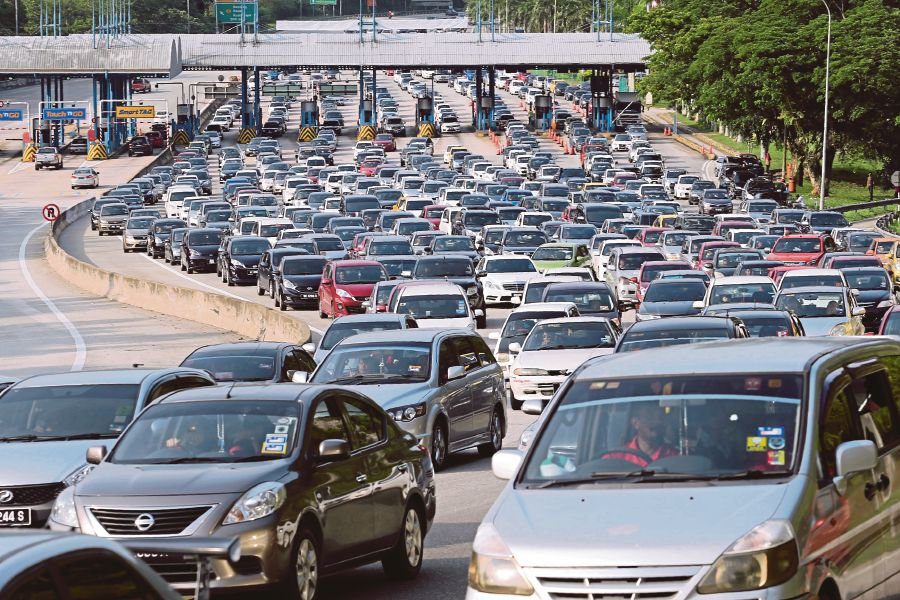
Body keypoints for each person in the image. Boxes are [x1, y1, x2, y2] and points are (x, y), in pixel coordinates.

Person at [604, 403, 677, 467]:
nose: (656, 422)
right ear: (635, 423)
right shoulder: (615, 458)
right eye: (650, 417)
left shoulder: (675, 457)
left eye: (660, 417)